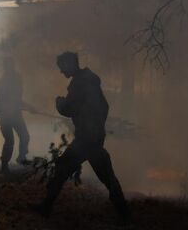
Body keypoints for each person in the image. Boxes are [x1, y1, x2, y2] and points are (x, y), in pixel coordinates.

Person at [32, 51, 131, 223]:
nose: (61, 72)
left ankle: (46, 207)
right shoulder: (91, 81)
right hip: (94, 137)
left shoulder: (79, 83)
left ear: (70, 64)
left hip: (86, 139)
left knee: (64, 168)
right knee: (106, 176)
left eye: (62, 67)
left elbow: (68, 109)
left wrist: (59, 102)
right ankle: (125, 215)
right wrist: (95, 125)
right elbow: (104, 107)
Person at [0, 56, 30, 172]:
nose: (10, 68)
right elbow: (5, 99)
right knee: (10, 140)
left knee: (24, 136)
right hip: (4, 115)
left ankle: (21, 158)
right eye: (8, 65)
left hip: (14, 114)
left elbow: (17, 99)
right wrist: (27, 107)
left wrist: (27, 107)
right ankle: (4, 164)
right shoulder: (3, 82)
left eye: (11, 65)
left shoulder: (17, 79)